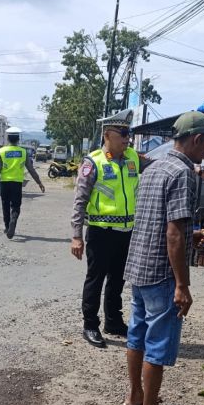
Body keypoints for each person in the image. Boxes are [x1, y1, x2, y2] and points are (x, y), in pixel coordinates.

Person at [123, 111, 204, 405]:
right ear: (196, 139)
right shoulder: (183, 173)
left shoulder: (154, 168)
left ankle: (135, 395)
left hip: (139, 264)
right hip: (162, 271)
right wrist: (183, 284)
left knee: (137, 333)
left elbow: (158, 220)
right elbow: (173, 231)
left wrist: (188, 234)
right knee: (158, 342)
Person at [71, 110, 143, 348]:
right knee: (96, 278)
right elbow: (80, 200)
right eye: (123, 133)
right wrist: (76, 236)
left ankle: (113, 320)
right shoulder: (93, 162)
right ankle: (90, 325)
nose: (127, 138)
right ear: (107, 135)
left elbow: (160, 166)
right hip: (101, 233)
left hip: (126, 232)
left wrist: (197, 169)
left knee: (118, 279)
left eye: (129, 133)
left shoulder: (133, 157)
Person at [0, 126, 45, 239]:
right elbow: (31, 169)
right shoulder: (23, 152)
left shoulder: (2, 151)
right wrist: (39, 182)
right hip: (17, 184)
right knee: (16, 206)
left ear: (8, 139)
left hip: (4, 183)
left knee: (5, 205)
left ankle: (7, 227)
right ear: (18, 139)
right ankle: (13, 222)